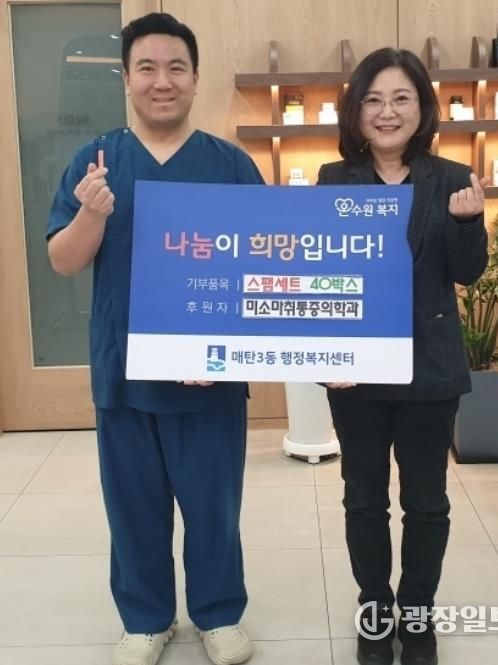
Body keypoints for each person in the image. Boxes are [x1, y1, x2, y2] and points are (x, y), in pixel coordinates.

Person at [47, 13, 263, 665]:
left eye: (175, 67)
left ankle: (218, 615)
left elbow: (259, 266)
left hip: (210, 376)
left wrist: (222, 349)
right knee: (133, 506)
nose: (161, 81)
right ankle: (145, 618)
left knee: (214, 506)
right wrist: (91, 214)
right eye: (146, 67)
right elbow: (63, 260)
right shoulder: (96, 162)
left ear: (195, 78)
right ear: (126, 78)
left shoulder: (229, 164)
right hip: (125, 372)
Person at [317, 48, 488, 665]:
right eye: (373, 99)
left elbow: (467, 273)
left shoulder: (453, 177)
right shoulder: (334, 180)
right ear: (356, 110)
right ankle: (374, 611)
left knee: (427, 503)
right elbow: (322, 274)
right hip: (357, 375)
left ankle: (416, 615)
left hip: (430, 368)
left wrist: (468, 224)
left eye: (400, 98)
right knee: (363, 500)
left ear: (422, 108)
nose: (386, 112)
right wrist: (328, 358)